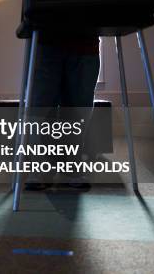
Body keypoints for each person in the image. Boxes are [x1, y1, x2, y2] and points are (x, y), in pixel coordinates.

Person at [25, 33, 100, 191]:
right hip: (51, 40)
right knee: (42, 108)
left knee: (75, 107)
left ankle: (67, 166)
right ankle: (42, 167)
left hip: (80, 42)